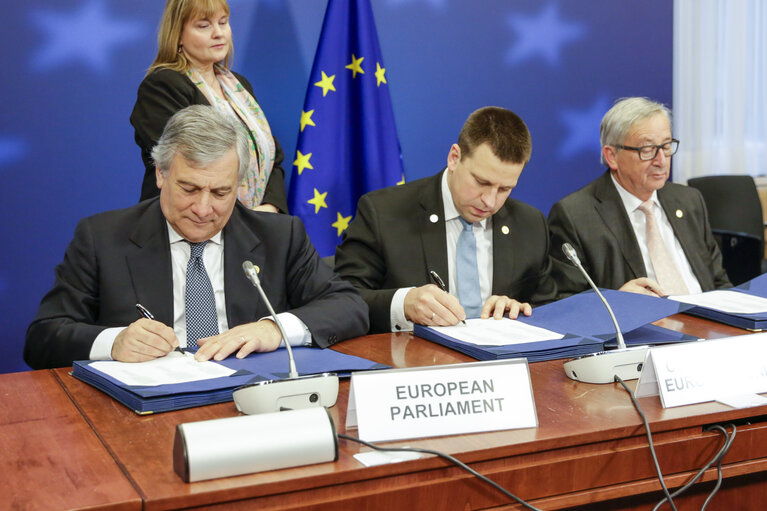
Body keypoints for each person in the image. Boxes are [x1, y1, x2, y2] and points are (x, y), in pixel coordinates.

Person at [25, 106, 368, 369]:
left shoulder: (280, 235)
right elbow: (42, 338)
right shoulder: (102, 237)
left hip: (246, 404)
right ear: (160, 173)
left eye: (221, 192)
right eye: (189, 189)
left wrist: (273, 329)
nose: (204, 209)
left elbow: (349, 306)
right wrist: (114, 343)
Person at [334, 106, 557, 334]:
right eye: (482, 182)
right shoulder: (383, 213)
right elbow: (341, 299)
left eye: (505, 189)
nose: (490, 202)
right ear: (454, 158)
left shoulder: (531, 225)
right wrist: (403, 303)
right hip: (415, 362)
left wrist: (521, 312)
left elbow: (552, 309)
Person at [548, 97, 730, 298]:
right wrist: (619, 302)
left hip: (707, 321)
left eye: (667, 146)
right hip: (644, 327)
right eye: (648, 150)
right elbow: (565, 302)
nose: (661, 161)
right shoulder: (575, 216)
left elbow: (718, 282)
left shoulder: (689, 200)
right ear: (612, 157)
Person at [130, 0, 287, 213]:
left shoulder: (239, 87)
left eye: (223, 23)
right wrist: (248, 221)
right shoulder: (162, 86)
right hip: (189, 224)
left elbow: (272, 157)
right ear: (177, 34)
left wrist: (270, 208)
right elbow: (191, 168)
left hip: (256, 229)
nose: (218, 33)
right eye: (204, 26)